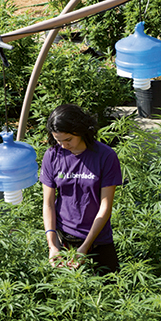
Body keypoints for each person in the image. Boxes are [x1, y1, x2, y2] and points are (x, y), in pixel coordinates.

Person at [40, 104, 121, 272]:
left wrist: (85, 247)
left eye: (68, 139)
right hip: (63, 238)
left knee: (110, 289)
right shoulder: (52, 155)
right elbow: (48, 204)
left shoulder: (105, 156)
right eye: (58, 140)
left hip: (98, 238)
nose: (63, 145)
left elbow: (105, 207)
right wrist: (52, 246)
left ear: (81, 131)